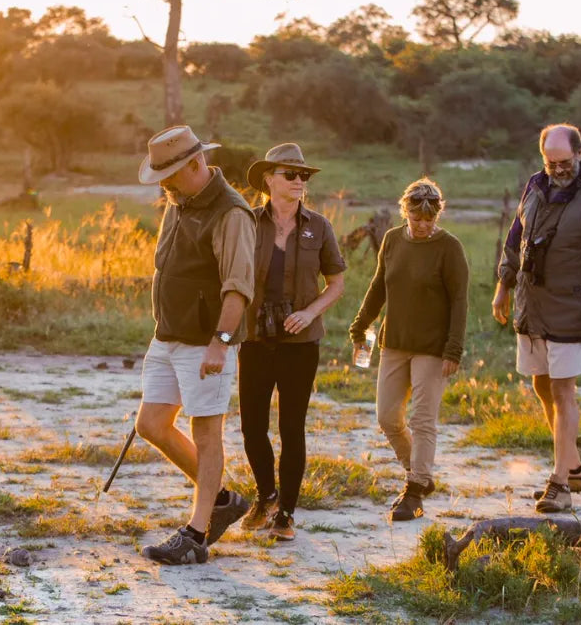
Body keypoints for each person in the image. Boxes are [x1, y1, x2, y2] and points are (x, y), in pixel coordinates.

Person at [134, 125, 256, 565]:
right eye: (160, 177)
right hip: (168, 336)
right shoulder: (179, 201)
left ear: (195, 163)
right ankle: (222, 499)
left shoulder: (231, 213)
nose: (164, 185)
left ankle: (196, 536)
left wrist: (221, 342)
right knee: (151, 424)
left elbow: (238, 287)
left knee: (207, 433)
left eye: (170, 175)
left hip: (207, 342)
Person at [492, 123, 581, 513]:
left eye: (564, 162)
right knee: (541, 384)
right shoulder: (535, 184)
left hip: (574, 309)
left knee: (564, 391)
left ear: (580, 153)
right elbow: (516, 237)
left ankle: (560, 485)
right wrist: (503, 285)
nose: (558, 169)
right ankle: (574, 467)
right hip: (531, 307)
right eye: (551, 162)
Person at [238, 144, 346, 541]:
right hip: (255, 337)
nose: (300, 181)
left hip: (301, 342)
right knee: (251, 425)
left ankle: (285, 514)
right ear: (269, 179)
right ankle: (265, 495)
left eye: (305, 176)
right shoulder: (247, 222)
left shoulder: (319, 226)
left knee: (292, 426)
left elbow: (336, 283)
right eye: (291, 174)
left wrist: (310, 312)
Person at [349, 178, 468, 521]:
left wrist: (454, 349)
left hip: (433, 347)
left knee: (422, 418)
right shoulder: (391, 240)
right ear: (406, 213)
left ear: (437, 216)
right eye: (416, 219)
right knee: (387, 417)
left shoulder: (450, 248)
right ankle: (420, 472)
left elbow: (460, 300)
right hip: (394, 342)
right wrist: (360, 326)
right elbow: (378, 288)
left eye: (429, 220)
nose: (423, 226)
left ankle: (414, 489)